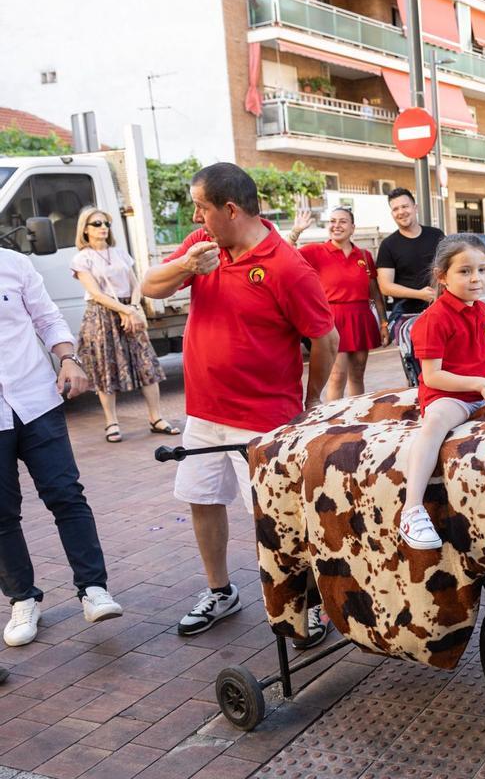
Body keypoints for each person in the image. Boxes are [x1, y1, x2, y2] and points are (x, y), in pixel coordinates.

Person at [142, 163, 338, 645]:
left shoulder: (287, 266)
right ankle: (221, 592)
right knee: (203, 501)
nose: (195, 216)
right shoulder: (201, 247)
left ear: (229, 209)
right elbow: (149, 287)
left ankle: (309, 603)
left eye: (201, 207)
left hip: (264, 422)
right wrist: (188, 265)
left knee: (279, 518)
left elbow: (325, 338)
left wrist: (309, 401)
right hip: (204, 414)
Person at [0, 247, 123, 647]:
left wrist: (68, 359)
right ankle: (23, 598)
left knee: (66, 495)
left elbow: (47, 317)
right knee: (1, 514)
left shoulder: (14, 263)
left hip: (36, 399)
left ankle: (93, 588)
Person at [399, 235, 485, 549]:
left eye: (481, 269)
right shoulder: (433, 319)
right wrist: (479, 384)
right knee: (434, 424)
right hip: (449, 396)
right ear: (442, 276)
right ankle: (412, 509)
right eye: (465, 271)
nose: (476, 278)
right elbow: (433, 376)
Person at [70, 207, 177, 442]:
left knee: (146, 363)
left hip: (129, 311)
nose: (103, 228)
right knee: (106, 369)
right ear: (85, 230)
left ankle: (156, 418)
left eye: (106, 223)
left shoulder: (119, 253)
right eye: (97, 224)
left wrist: (135, 307)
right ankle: (111, 422)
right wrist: (126, 310)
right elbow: (95, 294)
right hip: (101, 316)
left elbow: (135, 282)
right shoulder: (82, 258)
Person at [299, 207, 390, 400]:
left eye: (342, 221)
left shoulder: (364, 255)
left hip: (360, 317)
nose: (336, 226)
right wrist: (296, 231)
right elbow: (285, 255)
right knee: (336, 376)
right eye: (332, 221)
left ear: (352, 227)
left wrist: (383, 322)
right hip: (333, 319)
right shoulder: (316, 251)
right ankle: (336, 422)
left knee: (357, 373)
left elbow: (374, 293)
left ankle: (355, 416)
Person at [375, 187, 444, 334]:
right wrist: (419, 294)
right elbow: (385, 286)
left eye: (405, 206)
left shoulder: (436, 235)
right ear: (392, 214)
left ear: (415, 207)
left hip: (441, 308)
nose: (401, 212)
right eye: (395, 209)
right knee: (415, 356)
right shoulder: (388, 245)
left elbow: (449, 268)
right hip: (407, 315)